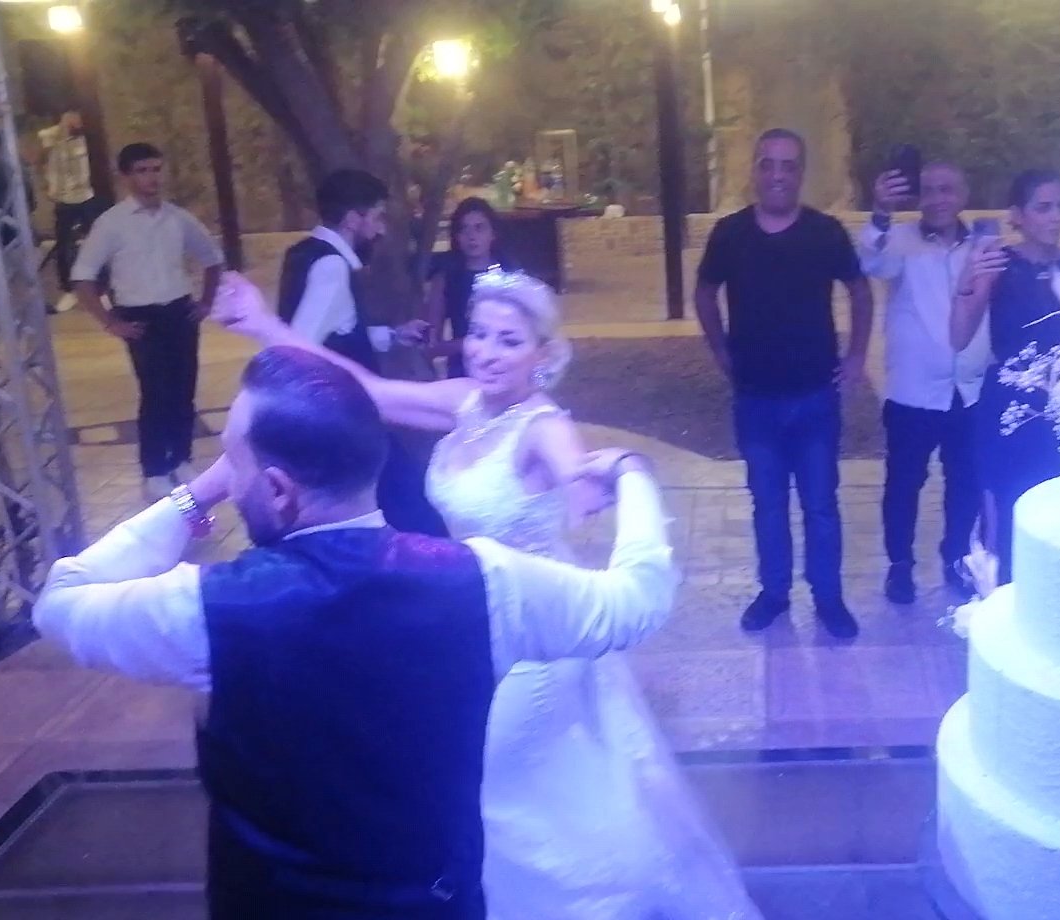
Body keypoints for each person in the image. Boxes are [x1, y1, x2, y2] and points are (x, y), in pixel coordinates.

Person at [34, 343, 680, 919]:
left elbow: (61, 600)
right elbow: (637, 600)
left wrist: (193, 497)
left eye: (233, 460)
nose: (230, 477)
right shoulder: (487, 582)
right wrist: (632, 474)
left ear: (279, 490)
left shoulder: (209, 609)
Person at [213, 271, 759, 919]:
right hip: (472, 619)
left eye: (508, 340)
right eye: (478, 335)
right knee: (499, 789)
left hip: (535, 640)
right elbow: (365, 389)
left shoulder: (542, 426)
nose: (487, 352)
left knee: (485, 778)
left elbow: (573, 467)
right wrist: (265, 326)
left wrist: (588, 481)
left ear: (542, 355)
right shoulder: (465, 404)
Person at [696, 128, 874, 638]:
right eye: (768, 163)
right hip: (755, 400)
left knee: (820, 505)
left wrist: (857, 356)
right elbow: (705, 293)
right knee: (768, 504)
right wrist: (720, 350)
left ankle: (828, 597)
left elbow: (860, 292)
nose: (777, 174)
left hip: (815, 398)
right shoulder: (729, 234)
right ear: (755, 170)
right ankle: (774, 594)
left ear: (801, 173)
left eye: (788, 165)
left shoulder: (825, 233)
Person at [278, 168, 446, 537]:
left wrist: (394, 334)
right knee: (410, 505)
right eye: (377, 216)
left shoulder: (303, 253)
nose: (380, 229)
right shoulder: (333, 267)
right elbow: (296, 347)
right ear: (353, 219)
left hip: (337, 417)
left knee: (392, 504)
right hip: (344, 418)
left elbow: (336, 331)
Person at [952, 169, 1060, 585]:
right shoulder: (998, 265)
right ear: (1017, 215)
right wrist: (969, 281)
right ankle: (1006, 596)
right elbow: (958, 336)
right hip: (1009, 411)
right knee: (1007, 508)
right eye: (1043, 207)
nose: (1056, 216)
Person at [859, 161, 985, 603]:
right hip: (912, 392)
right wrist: (880, 212)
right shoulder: (899, 240)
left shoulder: (983, 245)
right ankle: (900, 566)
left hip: (968, 390)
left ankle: (956, 558)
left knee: (964, 483)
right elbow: (870, 259)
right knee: (903, 484)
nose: (937, 199)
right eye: (928, 190)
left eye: (946, 189)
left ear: (963, 194)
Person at [71, 142, 226, 501]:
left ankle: (182, 459)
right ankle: (155, 469)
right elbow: (83, 277)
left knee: (184, 389)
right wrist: (109, 321)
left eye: (156, 169)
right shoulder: (112, 224)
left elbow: (212, 258)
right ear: (126, 177)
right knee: (155, 393)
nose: (152, 178)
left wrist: (205, 301)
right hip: (140, 317)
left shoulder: (178, 218)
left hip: (179, 311)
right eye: (142, 171)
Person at [424, 197, 502, 378]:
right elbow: (431, 345)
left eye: (479, 228)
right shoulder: (446, 278)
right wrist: (470, 343)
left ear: (493, 233)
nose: (471, 236)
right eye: (464, 229)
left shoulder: (509, 274)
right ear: (456, 236)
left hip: (505, 369)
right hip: (463, 372)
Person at [37, 110, 108, 296]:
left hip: (85, 196)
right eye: (74, 120)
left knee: (96, 239)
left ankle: (101, 281)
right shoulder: (53, 140)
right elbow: (42, 151)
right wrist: (61, 131)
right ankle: (67, 284)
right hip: (64, 199)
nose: (78, 124)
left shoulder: (83, 139)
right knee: (64, 242)